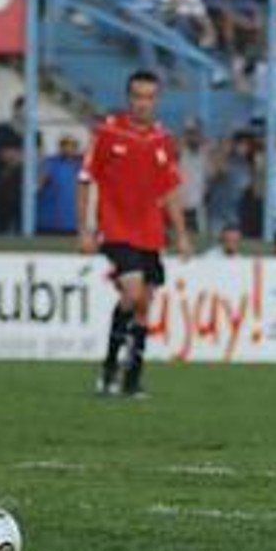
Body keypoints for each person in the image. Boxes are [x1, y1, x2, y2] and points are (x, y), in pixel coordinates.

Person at [76, 70, 193, 398]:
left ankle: (131, 380)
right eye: (138, 96)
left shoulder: (161, 140)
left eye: (149, 97)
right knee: (134, 293)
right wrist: (84, 229)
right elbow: (85, 179)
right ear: (129, 98)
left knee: (144, 306)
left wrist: (181, 234)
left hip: (150, 232)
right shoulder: (108, 133)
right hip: (115, 227)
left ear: (156, 100)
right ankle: (110, 368)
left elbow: (170, 190)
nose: (143, 103)